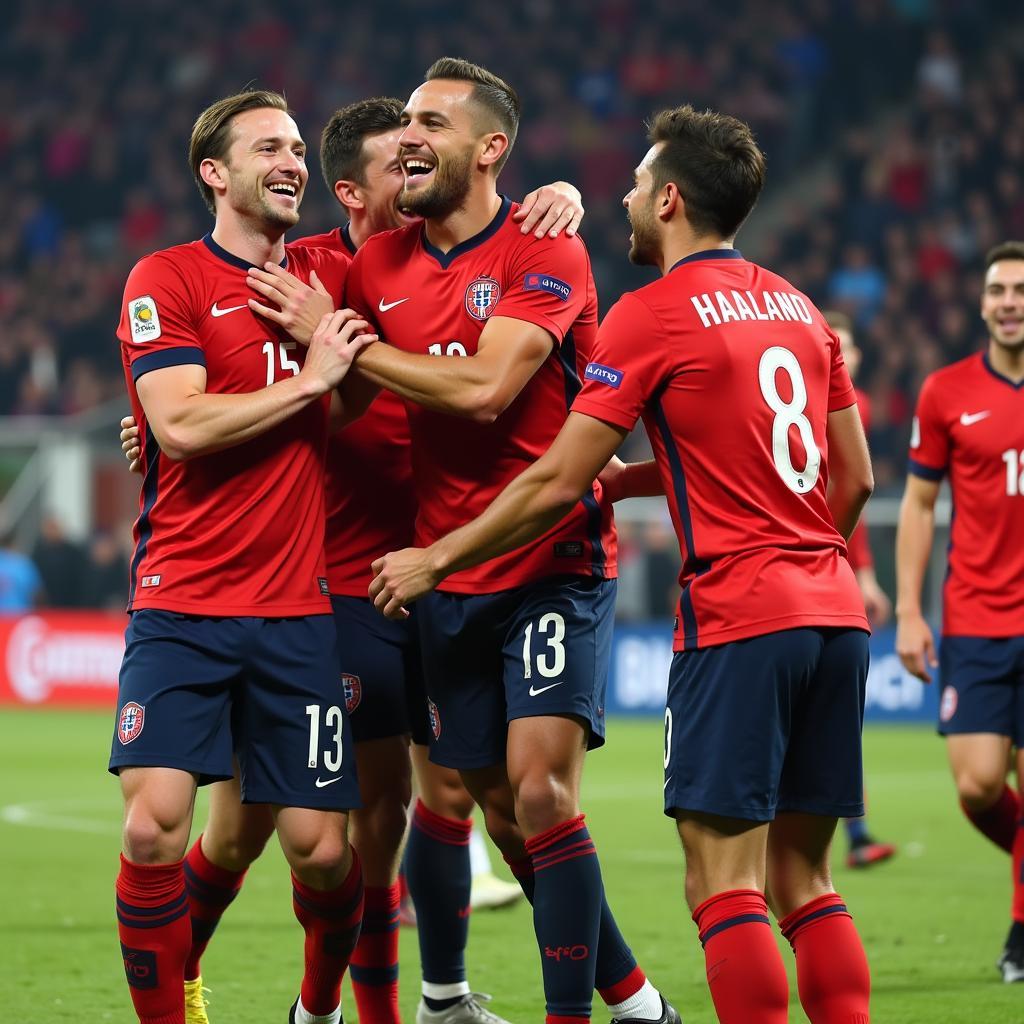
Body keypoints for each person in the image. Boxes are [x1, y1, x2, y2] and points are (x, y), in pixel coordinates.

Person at [368, 102, 875, 1024]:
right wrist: (666, 492)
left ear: (672, 199)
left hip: (739, 616)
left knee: (725, 888)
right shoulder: (799, 307)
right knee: (805, 879)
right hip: (834, 613)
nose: (628, 203)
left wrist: (436, 554)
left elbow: (557, 478)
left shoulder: (653, 314)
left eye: (639, 187)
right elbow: (855, 479)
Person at [121, 95, 580, 1024]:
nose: (412, 173)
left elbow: (485, 289)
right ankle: (233, 997)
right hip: (294, 588)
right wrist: (183, 418)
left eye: (424, 153)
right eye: (397, 164)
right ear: (352, 192)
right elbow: (178, 416)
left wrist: (553, 195)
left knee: (381, 826)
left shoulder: (363, 283)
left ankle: (383, 1002)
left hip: (385, 584)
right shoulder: (321, 277)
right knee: (218, 830)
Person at [337, 57, 678, 1024]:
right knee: (492, 807)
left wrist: (362, 349)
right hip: (444, 575)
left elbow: (488, 393)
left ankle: (566, 1014)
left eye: (433, 123)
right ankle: (639, 1003)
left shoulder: (544, 247)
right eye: (406, 118)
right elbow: (343, 399)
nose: (410, 134)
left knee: (541, 795)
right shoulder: (377, 264)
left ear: (490, 149)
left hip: (549, 556)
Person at [109, 89, 374, 1024]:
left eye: (299, 146)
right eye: (269, 146)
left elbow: (430, 224)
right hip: (180, 603)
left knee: (323, 853)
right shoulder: (168, 277)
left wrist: (555, 196)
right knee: (152, 829)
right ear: (215, 173)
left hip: (299, 611)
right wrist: (315, 379)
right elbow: (177, 425)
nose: (293, 160)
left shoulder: (329, 274)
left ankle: (316, 1009)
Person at [895, 240, 1024, 983]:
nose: (1009, 301)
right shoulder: (945, 391)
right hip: (974, 618)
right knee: (978, 786)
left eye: (1019, 290)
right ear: (981, 304)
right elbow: (918, 505)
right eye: (998, 290)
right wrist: (910, 610)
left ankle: (1020, 939)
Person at [824, 309, 897, 870]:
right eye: (833, 345)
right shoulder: (846, 404)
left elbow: (857, 492)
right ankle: (851, 834)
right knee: (825, 708)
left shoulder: (854, 406)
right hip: (811, 560)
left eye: (846, 347)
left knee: (832, 708)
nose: (839, 355)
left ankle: (855, 833)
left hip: (825, 558)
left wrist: (862, 570)